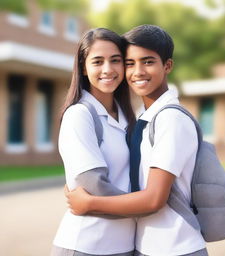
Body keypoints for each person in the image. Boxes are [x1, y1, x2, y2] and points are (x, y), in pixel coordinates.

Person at [66, 25, 208, 256]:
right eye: (130, 63)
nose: (137, 71)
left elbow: (153, 199)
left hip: (174, 246)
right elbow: (97, 179)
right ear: (83, 67)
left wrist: (89, 202)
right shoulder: (141, 117)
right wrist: (76, 183)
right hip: (138, 244)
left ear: (168, 65)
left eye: (148, 61)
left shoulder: (170, 119)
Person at [51, 28, 137, 256]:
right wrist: (149, 204)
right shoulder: (79, 115)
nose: (107, 69)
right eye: (98, 61)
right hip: (86, 245)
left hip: (125, 244)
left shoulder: (128, 116)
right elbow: (93, 185)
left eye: (115, 60)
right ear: (83, 68)